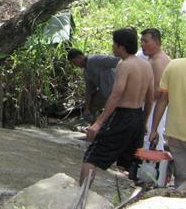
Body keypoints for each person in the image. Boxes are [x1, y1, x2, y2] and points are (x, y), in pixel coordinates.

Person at [80, 28, 153, 184]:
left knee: (91, 157)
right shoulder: (146, 66)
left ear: (121, 46)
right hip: (138, 117)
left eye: (114, 44)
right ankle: (126, 196)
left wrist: (98, 122)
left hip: (122, 116)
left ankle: (82, 195)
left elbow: (116, 95)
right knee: (127, 164)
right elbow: (149, 98)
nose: (112, 47)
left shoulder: (124, 65)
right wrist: (144, 121)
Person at [149, 44, 186, 189]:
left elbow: (162, 100)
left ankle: (178, 196)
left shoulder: (174, 65)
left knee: (184, 177)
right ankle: (176, 193)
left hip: (175, 134)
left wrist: (154, 130)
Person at [67, 49, 119, 121]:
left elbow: (117, 61)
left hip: (117, 91)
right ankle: (94, 124)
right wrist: (86, 109)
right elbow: (89, 91)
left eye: (74, 62)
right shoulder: (86, 72)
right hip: (105, 94)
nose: (75, 65)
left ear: (79, 57)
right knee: (92, 105)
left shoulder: (95, 59)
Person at [140, 28, 170, 148]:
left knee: (150, 139)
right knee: (147, 140)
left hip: (154, 108)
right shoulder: (152, 58)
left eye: (146, 41)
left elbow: (158, 92)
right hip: (150, 106)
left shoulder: (158, 61)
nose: (142, 44)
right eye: (141, 41)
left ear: (156, 42)